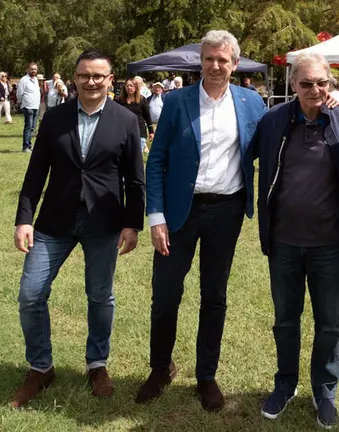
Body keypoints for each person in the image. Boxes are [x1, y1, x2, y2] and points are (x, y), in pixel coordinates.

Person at [138, 30, 268, 411]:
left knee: (215, 296)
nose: (215, 65)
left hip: (225, 212)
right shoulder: (177, 102)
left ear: (235, 64)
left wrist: (325, 101)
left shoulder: (251, 102)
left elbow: (275, 133)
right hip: (179, 212)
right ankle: (160, 368)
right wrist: (156, 216)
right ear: (201, 61)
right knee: (165, 294)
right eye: (209, 58)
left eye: (222, 60)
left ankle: (206, 375)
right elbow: (157, 160)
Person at [9, 49, 145, 408]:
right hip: (55, 220)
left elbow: (135, 178)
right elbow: (35, 172)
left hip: (104, 221)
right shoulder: (54, 118)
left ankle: (97, 363)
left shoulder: (125, 120)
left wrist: (133, 224)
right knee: (31, 294)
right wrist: (24, 218)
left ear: (110, 79)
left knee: (100, 296)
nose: (91, 81)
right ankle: (41, 367)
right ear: (75, 78)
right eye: (85, 75)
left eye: (99, 75)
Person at [252, 51, 339, 429]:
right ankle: (285, 384)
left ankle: (325, 389)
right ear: (292, 85)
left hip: (329, 245)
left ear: (331, 84)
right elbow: (242, 157)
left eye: (322, 83)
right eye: (307, 83)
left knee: (328, 322)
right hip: (283, 243)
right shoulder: (273, 121)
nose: (315, 90)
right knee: (285, 320)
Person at [116, 77, 153, 153]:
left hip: (139, 132)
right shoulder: (119, 101)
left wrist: (151, 132)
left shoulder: (142, 100)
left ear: (136, 87)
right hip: (123, 132)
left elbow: (148, 117)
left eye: (131, 86)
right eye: (127, 86)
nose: (129, 88)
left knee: (136, 157)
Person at [17, 62, 41, 153]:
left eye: (35, 69)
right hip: (28, 106)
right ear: (28, 70)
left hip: (35, 106)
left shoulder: (36, 80)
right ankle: (25, 146)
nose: (33, 71)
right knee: (28, 126)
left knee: (33, 127)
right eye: (32, 69)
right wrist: (22, 102)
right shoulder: (24, 80)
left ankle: (29, 145)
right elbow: (19, 93)